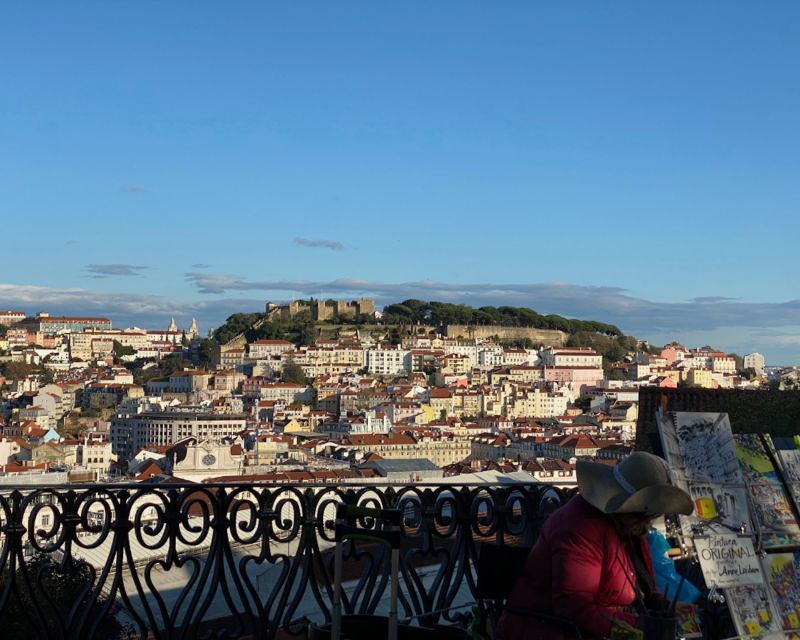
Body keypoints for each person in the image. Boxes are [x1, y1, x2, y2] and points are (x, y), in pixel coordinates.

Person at [495, 451, 693, 640]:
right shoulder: (580, 528)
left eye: (651, 515)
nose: (647, 522)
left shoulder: (629, 525)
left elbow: (644, 587)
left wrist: (665, 608)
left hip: (602, 628)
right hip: (549, 630)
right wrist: (640, 626)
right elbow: (573, 606)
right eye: (644, 514)